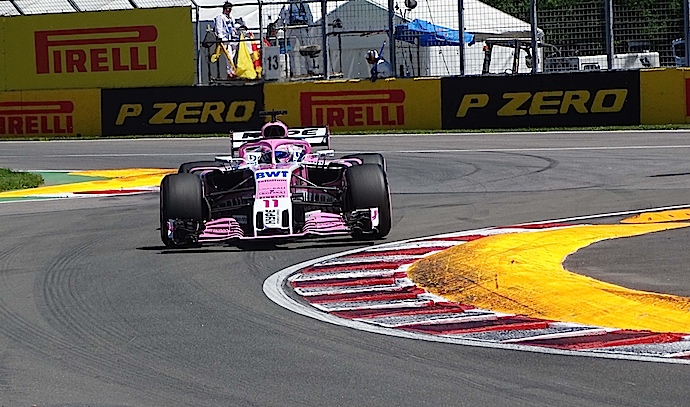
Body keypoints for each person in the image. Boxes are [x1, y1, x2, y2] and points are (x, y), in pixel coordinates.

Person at [275, 0, 315, 77]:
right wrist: (279, 26)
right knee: (291, 51)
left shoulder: (303, 3)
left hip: (302, 27)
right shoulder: (287, 5)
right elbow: (281, 16)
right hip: (291, 28)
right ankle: (292, 71)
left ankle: (310, 69)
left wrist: (309, 27)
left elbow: (309, 15)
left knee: (307, 48)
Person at [214, 2, 242, 78]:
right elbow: (219, 27)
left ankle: (232, 70)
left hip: (232, 38)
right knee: (228, 54)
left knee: (232, 55)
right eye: (228, 9)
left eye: (230, 9)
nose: (229, 11)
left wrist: (240, 26)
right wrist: (220, 37)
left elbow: (233, 25)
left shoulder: (231, 17)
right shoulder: (220, 17)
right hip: (225, 38)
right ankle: (230, 71)